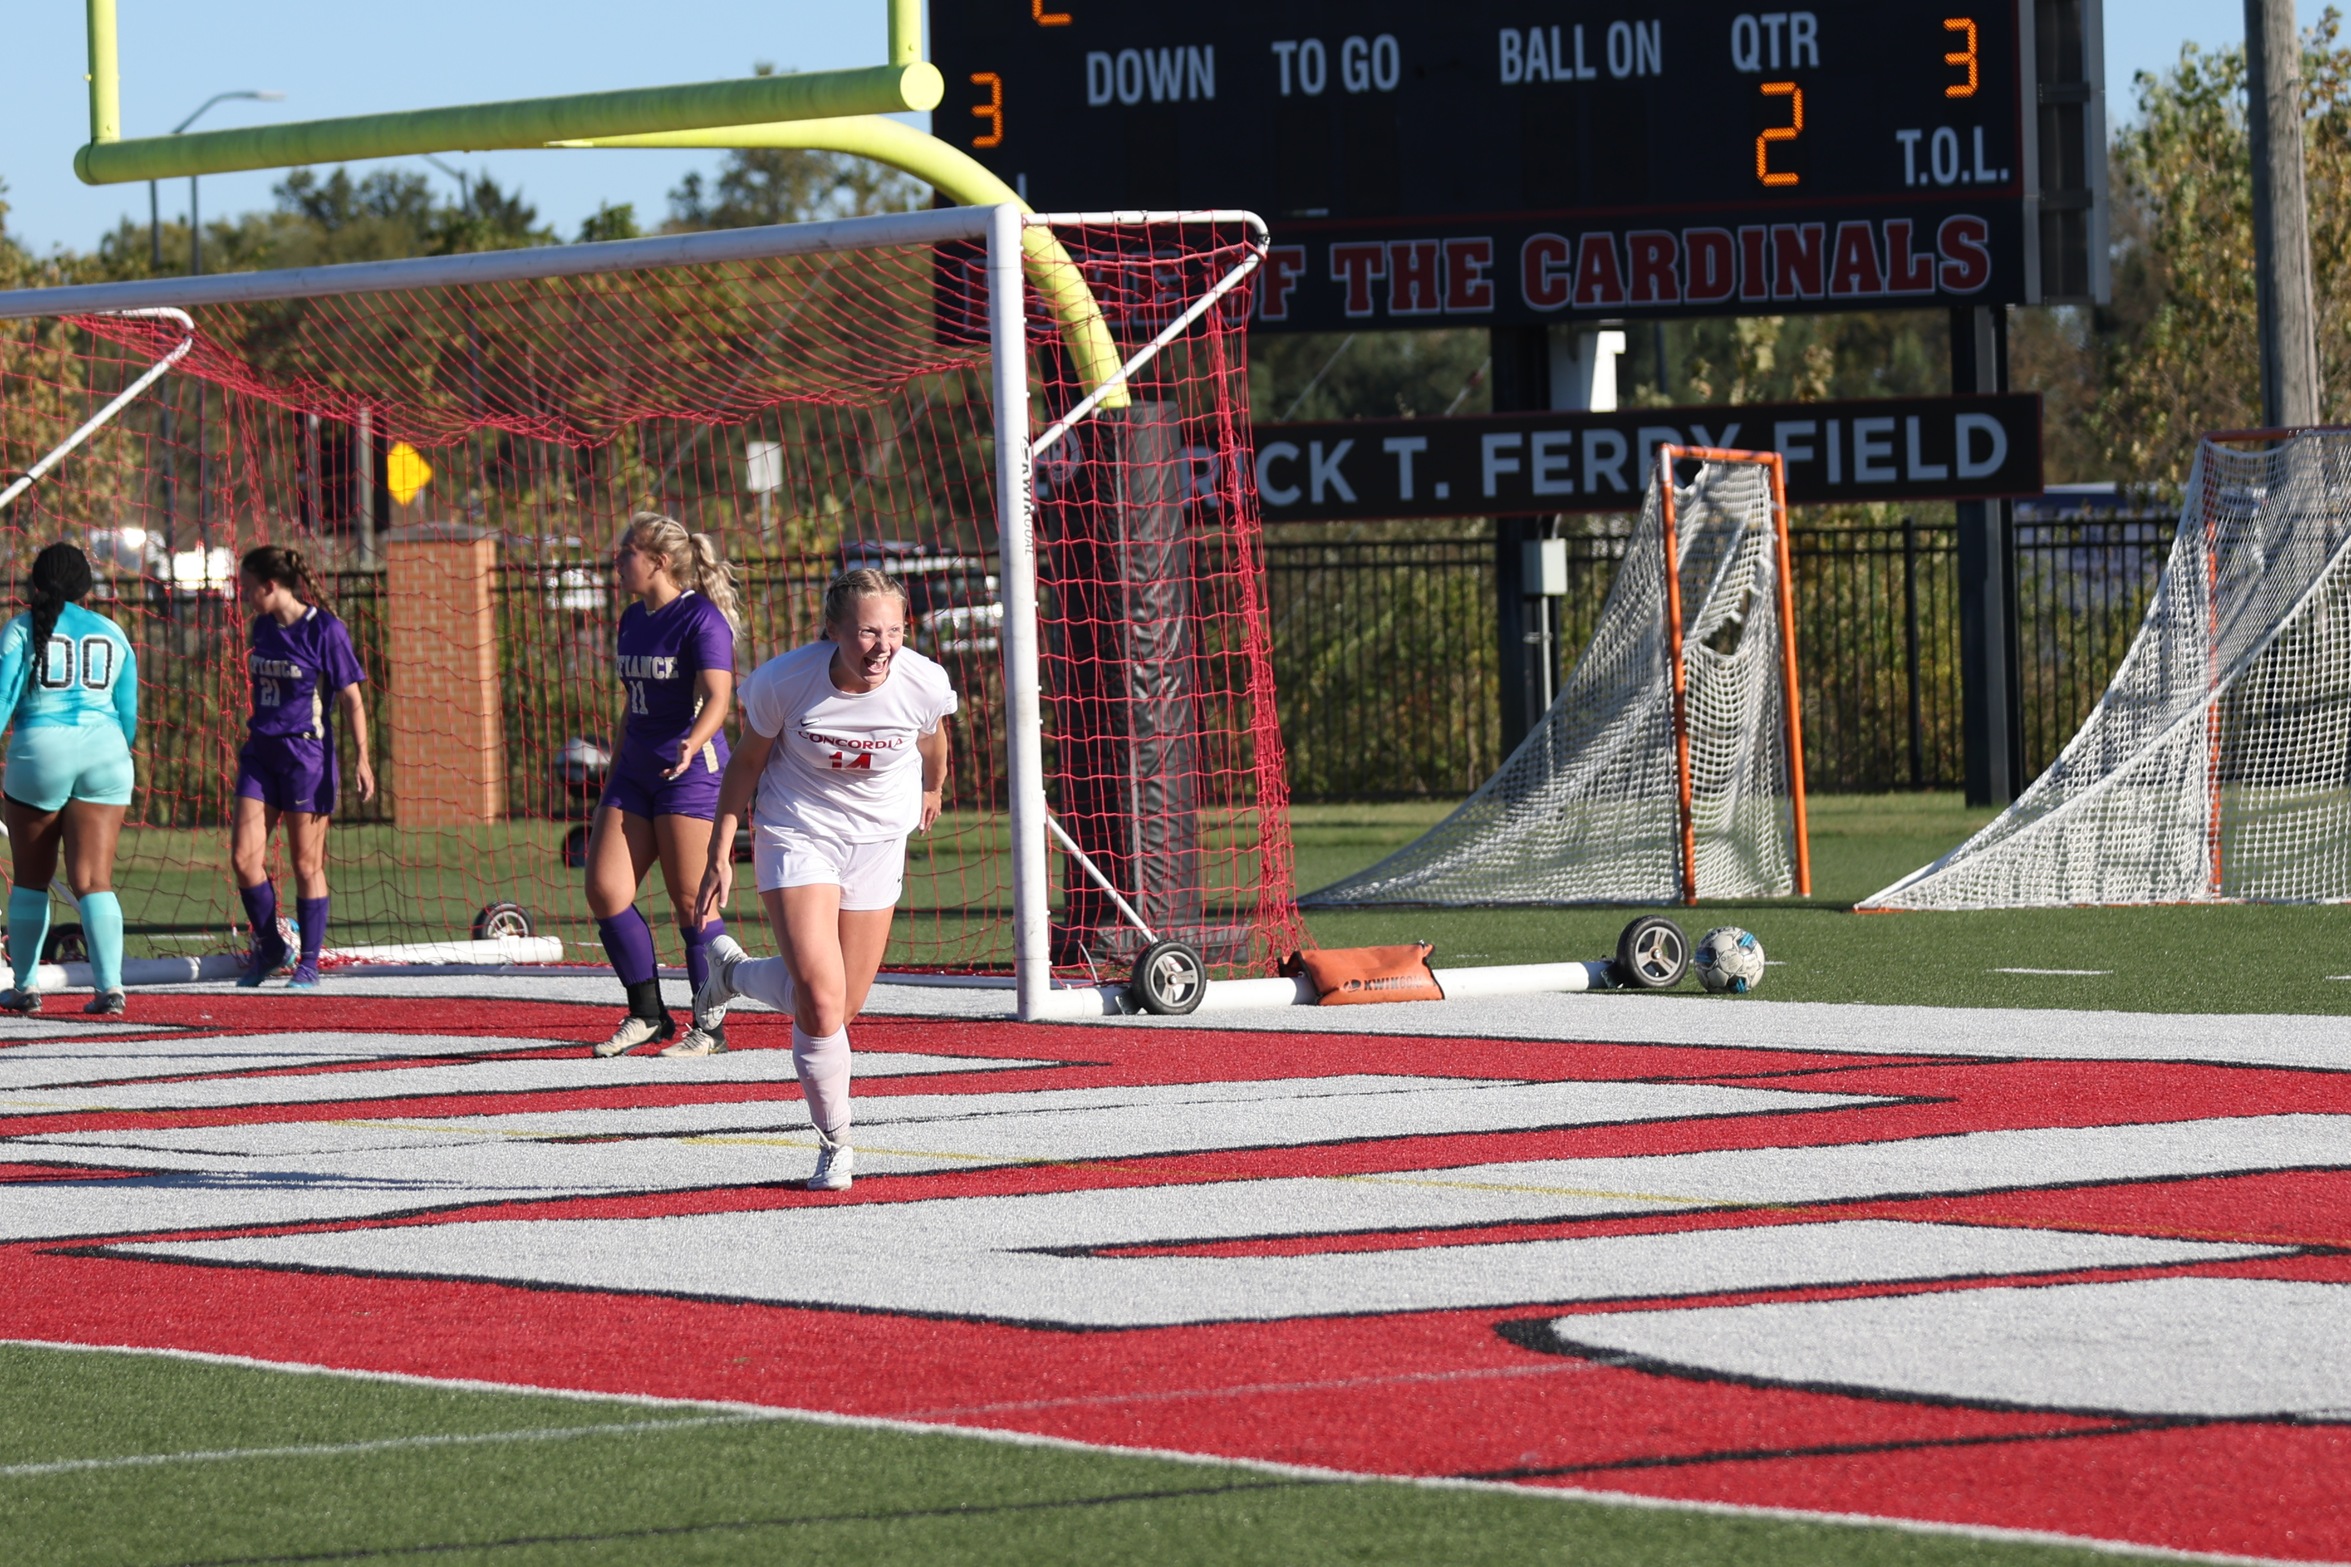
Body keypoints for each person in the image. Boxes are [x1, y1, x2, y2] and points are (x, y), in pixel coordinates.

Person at [694, 568, 954, 1191]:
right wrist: (721, 850)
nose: (882, 645)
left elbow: (934, 743)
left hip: (877, 840)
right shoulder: (785, 680)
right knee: (820, 1000)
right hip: (798, 831)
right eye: (867, 631)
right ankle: (836, 1142)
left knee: (842, 1005)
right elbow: (746, 766)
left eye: (894, 630)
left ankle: (729, 973)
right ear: (834, 630)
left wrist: (933, 789)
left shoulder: (923, 682)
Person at [586, 513, 741, 1058]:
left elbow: (720, 697)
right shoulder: (632, 617)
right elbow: (635, 700)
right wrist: (618, 759)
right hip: (635, 770)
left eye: (626, 550)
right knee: (606, 891)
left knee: (691, 903)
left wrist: (694, 742)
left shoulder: (701, 617)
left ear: (659, 561)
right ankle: (648, 1015)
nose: (618, 560)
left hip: (688, 775)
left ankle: (710, 1026)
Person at [0, 543, 139, 1016]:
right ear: (87, 589)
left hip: (39, 754)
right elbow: (129, 717)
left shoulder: (20, 630)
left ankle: (25, 987)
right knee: (94, 880)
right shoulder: (114, 633)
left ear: (35, 585)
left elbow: (2, 702)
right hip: (107, 754)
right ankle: (111, 989)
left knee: (31, 880)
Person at [229, 546, 374, 989]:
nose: (246, 596)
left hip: (305, 758)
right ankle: (272, 945)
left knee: (306, 863)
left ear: (271, 586)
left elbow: (351, 698)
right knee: (243, 859)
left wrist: (363, 759)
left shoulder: (325, 631)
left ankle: (308, 963)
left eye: (250, 588)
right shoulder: (261, 626)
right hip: (261, 753)